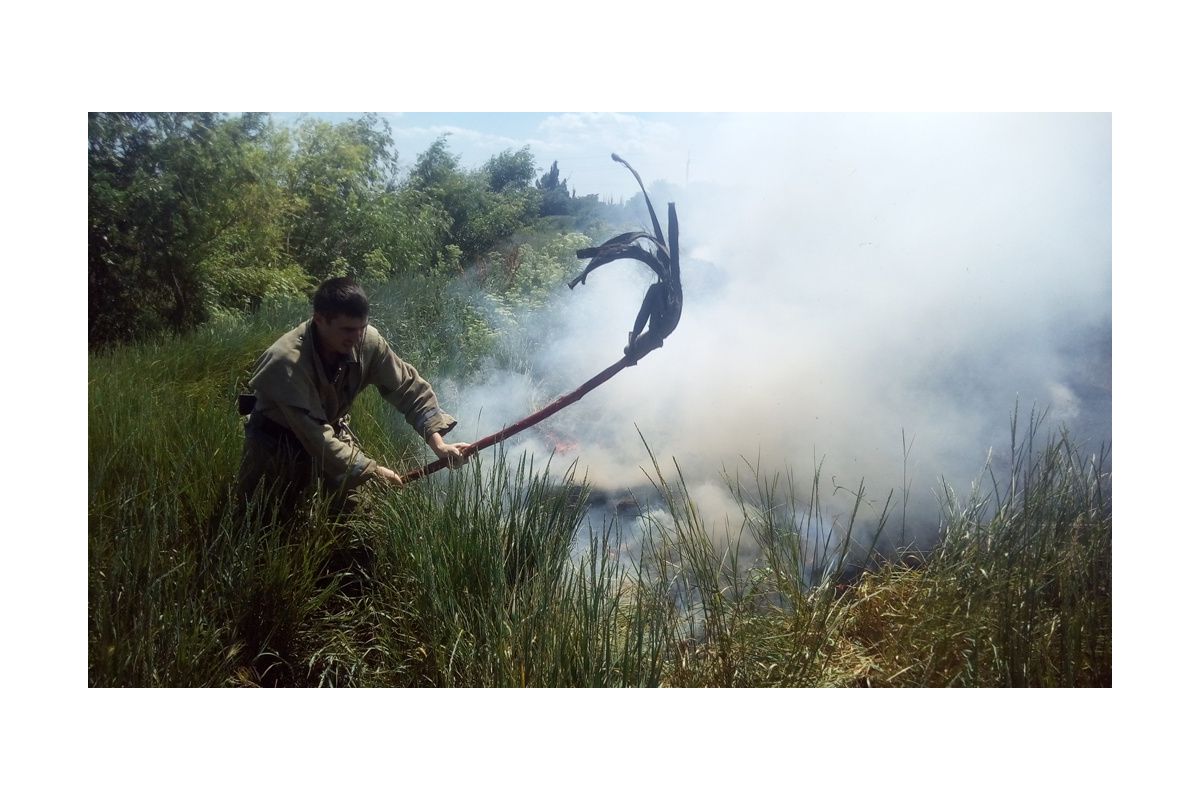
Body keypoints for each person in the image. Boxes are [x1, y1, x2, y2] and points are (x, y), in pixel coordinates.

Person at [235, 277, 471, 517]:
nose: (357, 337)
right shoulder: (285, 362)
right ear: (319, 320)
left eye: (362, 327)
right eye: (347, 330)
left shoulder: (368, 341)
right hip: (276, 446)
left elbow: (409, 390)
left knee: (364, 515)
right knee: (262, 518)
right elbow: (317, 439)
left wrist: (438, 444)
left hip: (332, 435)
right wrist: (374, 471)